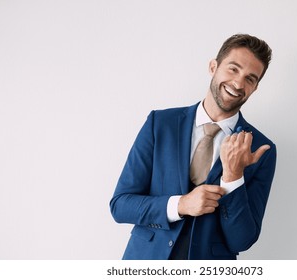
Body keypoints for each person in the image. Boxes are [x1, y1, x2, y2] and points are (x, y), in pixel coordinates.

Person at [110, 34, 277, 260]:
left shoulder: (260, 149)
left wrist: (233, 177)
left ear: (255, 88)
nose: (238, 83)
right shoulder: (160, 124)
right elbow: (121, 205)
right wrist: (181, 204)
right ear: (213, 67)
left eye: (250, 78)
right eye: (233, 69)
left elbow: (242, 240)